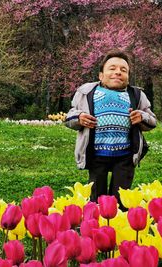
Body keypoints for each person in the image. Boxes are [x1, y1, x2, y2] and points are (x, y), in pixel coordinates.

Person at [65, 49, 156, 210]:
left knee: (121, 197)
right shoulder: (87, 92)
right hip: (96, 155)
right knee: (97, 196)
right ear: (101, 75)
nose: (118, 72)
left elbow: (152, 120)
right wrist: (79, 118)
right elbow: (69, 117)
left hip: (125, 156)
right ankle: (95, 227)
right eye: (112, 68)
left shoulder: (136, 95)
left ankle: (119, 226)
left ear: (128, 77)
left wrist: (142, 117)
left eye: (123, 70)